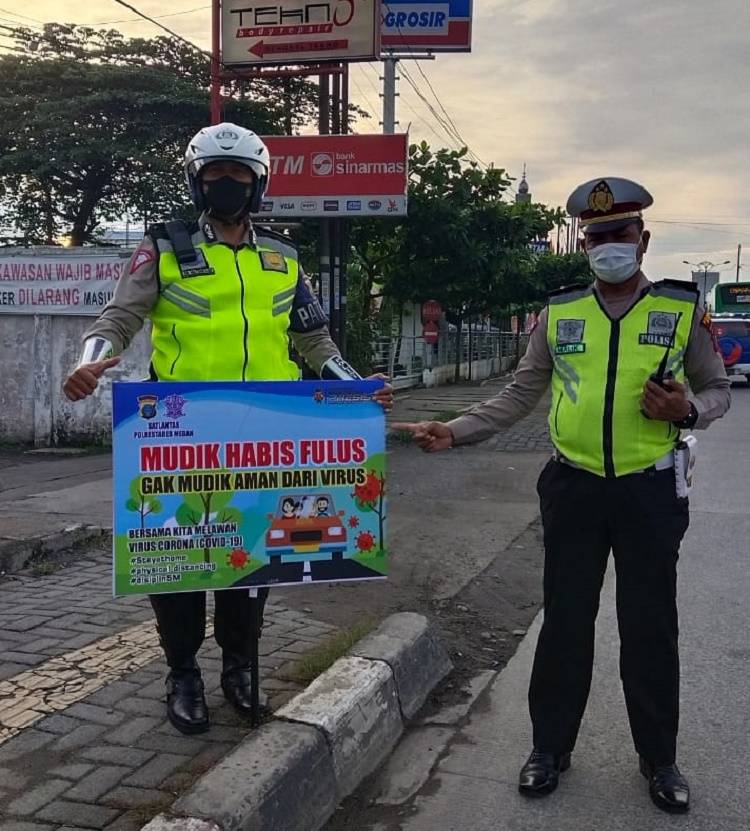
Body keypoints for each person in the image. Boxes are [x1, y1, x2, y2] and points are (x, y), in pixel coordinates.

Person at [394, 177, 730, 814]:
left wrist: (687, 410)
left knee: (650, 627)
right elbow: (520, 395)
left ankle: (659, 758)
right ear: (585, 244)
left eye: (619, 235)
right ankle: (549, 747)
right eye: (597, 237)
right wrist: (455, 429)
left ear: (643, 239)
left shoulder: (682, 312)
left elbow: (715, 393)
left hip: (650, 491)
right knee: (565, 623)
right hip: (573, 487)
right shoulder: (560, 313)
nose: (609, 246)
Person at [63, 122, 393, 735]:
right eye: (213, 174)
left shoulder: (283, 258)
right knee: (180, 562)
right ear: (196, 181)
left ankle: (240, 669)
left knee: (254, 558)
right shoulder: (163, 248)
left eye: (238, 175)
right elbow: (119, 317)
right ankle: (182, 673)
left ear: (258, 182)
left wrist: (354, 387)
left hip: (264, 434)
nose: (226, 185)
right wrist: (87, 364)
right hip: (182, 435)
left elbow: (313, 338)